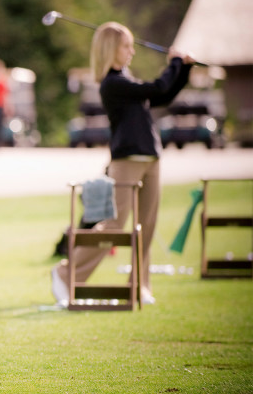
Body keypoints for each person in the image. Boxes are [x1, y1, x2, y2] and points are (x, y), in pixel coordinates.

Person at [51, 21, 195, 307]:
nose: (132, 52)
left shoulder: (126, 81)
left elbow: (164, 95)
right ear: (110, 49)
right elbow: (156, 87)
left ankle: (139, 286)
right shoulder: (113, 84)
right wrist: (174, 63)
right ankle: (66, 273)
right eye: (126, 46)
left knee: (147, 226)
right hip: (127, 160)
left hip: (151, 157)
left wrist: (184, 68)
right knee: (115, 226)